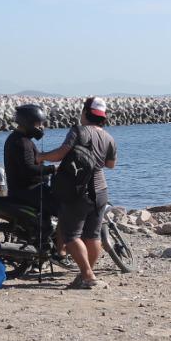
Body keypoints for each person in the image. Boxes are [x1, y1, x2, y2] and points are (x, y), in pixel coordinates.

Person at [37, 96, 117, 289]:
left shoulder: (78, 131)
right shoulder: (109, 137)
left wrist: (41, 157)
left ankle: (88, 275)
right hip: (101, 190)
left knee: (71, 235)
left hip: (79, 191)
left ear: (85, 113)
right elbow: (110, 164)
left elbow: (60, 154)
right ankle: (86, 275)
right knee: (93, 235)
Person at [3, 104, 50, 216]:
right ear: (28, 122)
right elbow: (29, 169)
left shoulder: (17, 138)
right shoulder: (22, 142)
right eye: (39, 124)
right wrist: (53, 169)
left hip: (20, 190)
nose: (41, 127)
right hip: (27, 192)